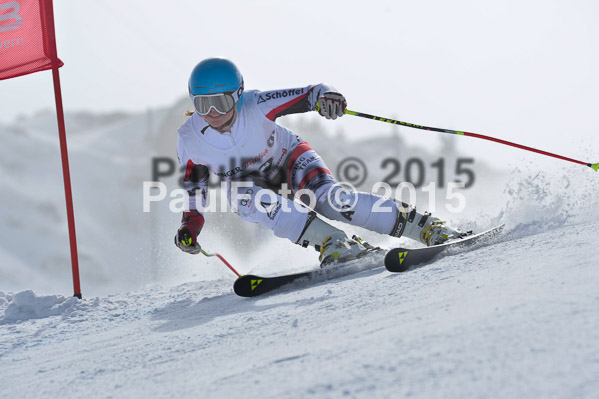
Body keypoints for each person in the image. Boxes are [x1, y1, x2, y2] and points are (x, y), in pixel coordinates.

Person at [174, 58, 463, 266]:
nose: (212, 113)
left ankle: (425, 226)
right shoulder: (190, 139)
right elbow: (194, 195)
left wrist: (328, 98)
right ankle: (334, 242)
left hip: (289, 159)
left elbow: (312, 92)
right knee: (243, 197)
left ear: (237, 96)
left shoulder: (256, 104)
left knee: (332, 200)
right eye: (202, 105)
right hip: (249, 185)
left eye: (221, 103)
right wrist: (190, 227)